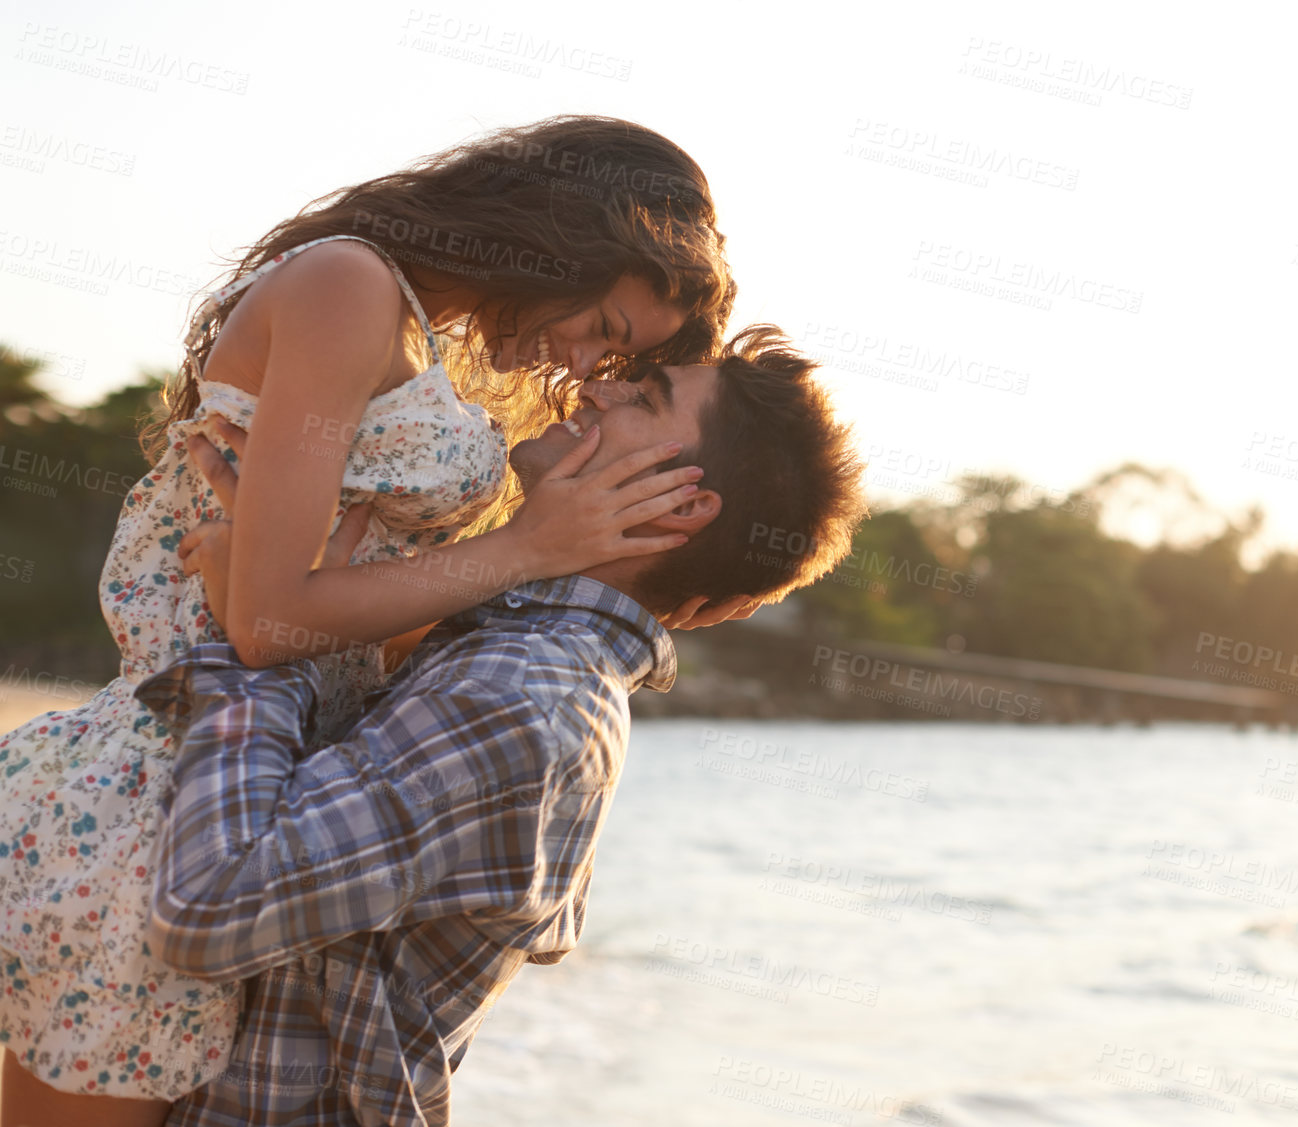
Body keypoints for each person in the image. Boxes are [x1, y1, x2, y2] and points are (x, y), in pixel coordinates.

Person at [0, 115, 748, 1127]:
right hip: (151, 799)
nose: (579, 365)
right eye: (603, 331)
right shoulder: (347, 286)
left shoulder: (406, 324)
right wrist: (530, 548)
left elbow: (345, 618)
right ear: (560, 236)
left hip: (220, 778)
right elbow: (264, 625)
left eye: (612, 364)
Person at [145, 327, 866, 1126]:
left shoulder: (528, 693)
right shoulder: (502, 645)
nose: (599, 389)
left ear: (681, 503)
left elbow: (207, 910)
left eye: (645, 395)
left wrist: (254, 630)